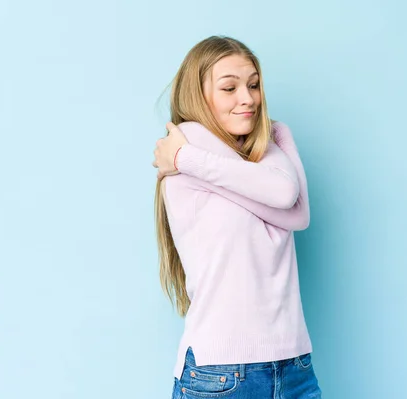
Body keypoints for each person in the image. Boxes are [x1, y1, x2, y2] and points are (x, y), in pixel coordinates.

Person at [152, 36, 322, 399]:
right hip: (222, 373)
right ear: (198, 95)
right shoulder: (191, 140)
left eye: (254, 85)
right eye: (229, 87)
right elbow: (282, 197)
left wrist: (281, 134)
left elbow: (297, 210)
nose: (248, 98)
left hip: (295, 366)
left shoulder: (251, 151)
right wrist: (187, 159)